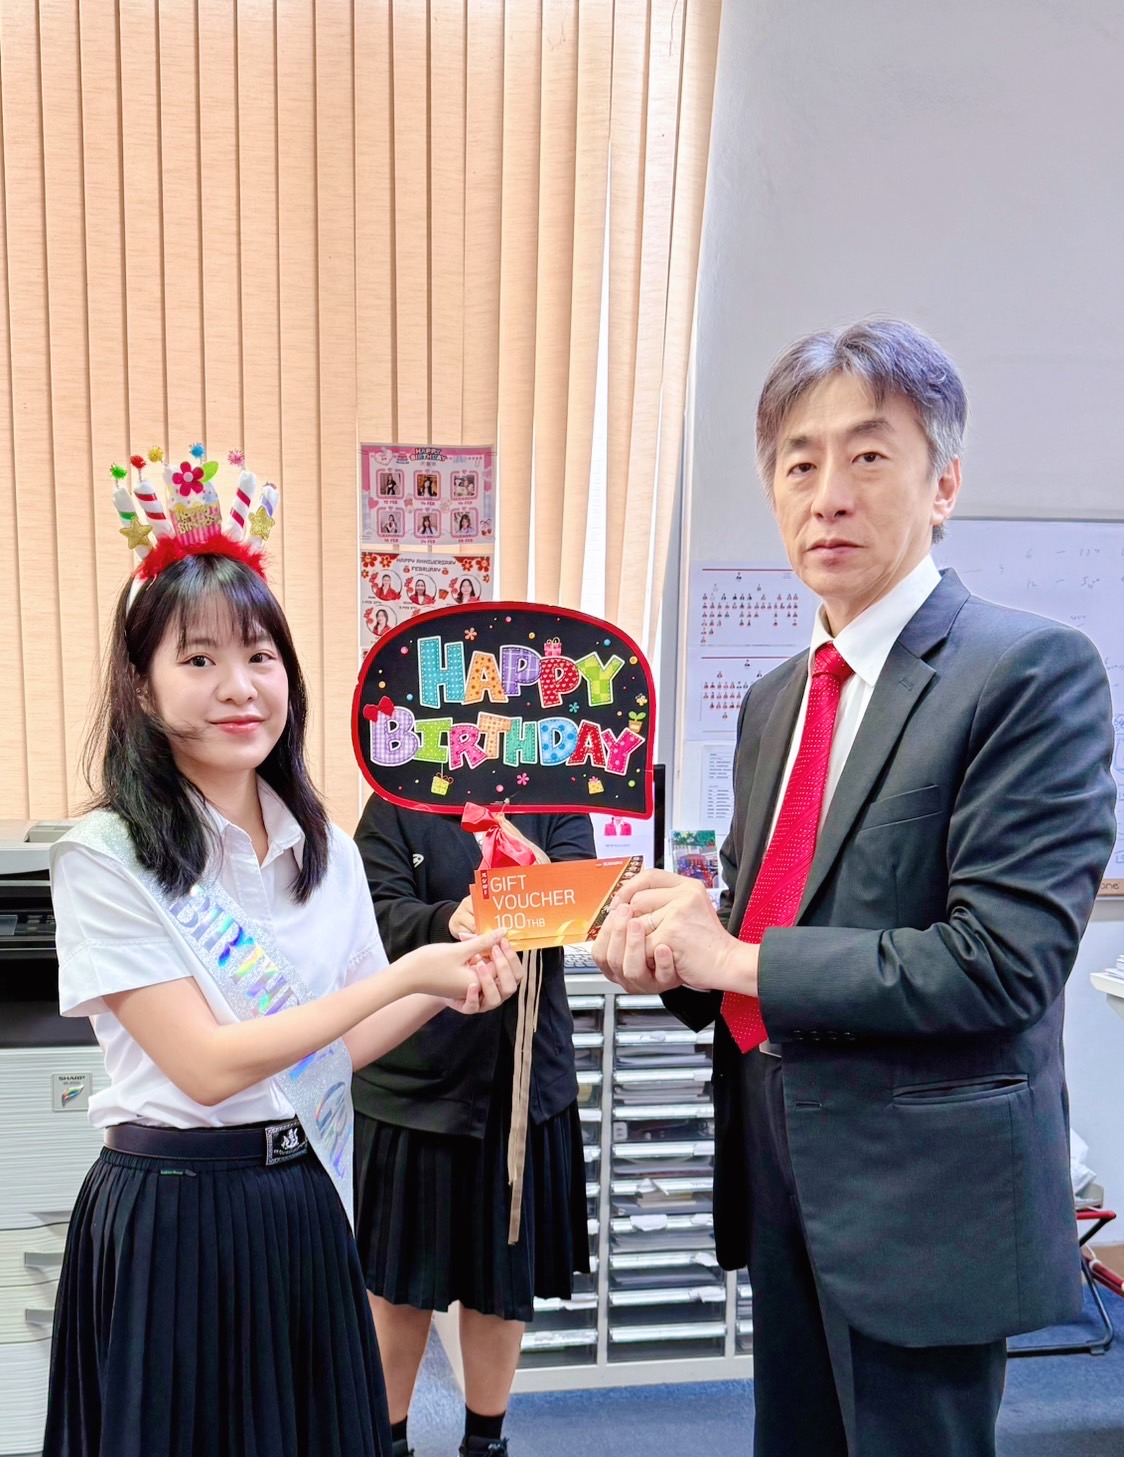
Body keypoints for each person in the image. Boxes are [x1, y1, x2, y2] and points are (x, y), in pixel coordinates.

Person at [593, 319, 1117, 1457]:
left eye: (868, 455)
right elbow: (763, 922)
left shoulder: (1026, 671)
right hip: (780, 1159)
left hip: (922, 1189)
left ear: (944, 484)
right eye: (799, 462)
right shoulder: (775, 699)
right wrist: (672, 956)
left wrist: (733, 954)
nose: (827, 493)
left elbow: (1001, 960)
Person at [44, 488, 521, 1457]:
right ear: (142, 687)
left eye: (260, 656)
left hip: (304, 1200)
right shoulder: (105, 855)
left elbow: (338, 1044)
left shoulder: (324, 847)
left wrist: (444, 981)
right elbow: (208, 1065)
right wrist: (407, 976)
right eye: (198, 659)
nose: (240, 687)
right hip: (172, 1211)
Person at [351, 796, 596, 1457]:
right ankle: (387, 1440)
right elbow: (372, 913)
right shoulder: (395, 798)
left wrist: (518, 858)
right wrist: (444, 920)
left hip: (524, 1082)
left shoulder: (558, 795)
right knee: (397, 1285)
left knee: (501, 1284)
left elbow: (578, 900)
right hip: (412, 1086)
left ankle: (485, 1444)